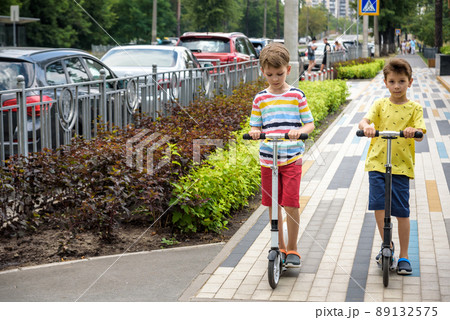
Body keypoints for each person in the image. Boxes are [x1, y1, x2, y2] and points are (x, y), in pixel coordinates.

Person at [249, 43, 315, 267]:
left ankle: (293, 247)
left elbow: (310, 124)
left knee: (291, 204)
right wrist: (255, 132)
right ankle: (278, 244)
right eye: (269, 74)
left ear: (288, 69)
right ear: (262, 71)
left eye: (279, 73)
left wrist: (300, 131)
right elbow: (255, 126)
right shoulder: (260, 99)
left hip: (291, 158)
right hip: (268, 160)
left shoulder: (296, 95)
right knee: (272, 204)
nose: (275, 78)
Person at [358, 58, 426, 275]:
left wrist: (412, 131)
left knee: (401, 211)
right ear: (386, 83)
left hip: (401, 167)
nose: (397, 86)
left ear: (410, 82)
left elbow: (420, 134)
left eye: (402, 81)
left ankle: (405, 255)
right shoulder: (380, 104)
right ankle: (387, 244)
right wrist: (367, 127)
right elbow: (364, 121)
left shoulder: (415, 108)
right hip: (377, 163)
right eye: (393, 81)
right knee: (379, 206)